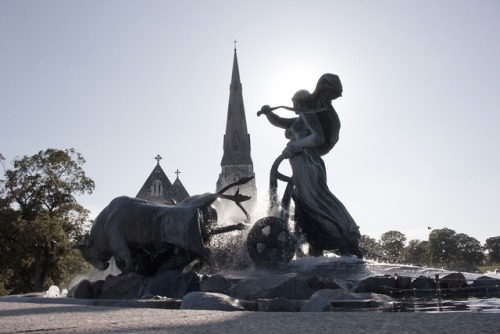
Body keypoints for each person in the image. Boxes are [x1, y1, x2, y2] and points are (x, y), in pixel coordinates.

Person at [258, 73, 362, 258]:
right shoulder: (301, 118)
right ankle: (315, 242)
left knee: (314, 199)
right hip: (302, 162)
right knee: (302, 200)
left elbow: (318, 137)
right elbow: (281, 122)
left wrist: (294, 145)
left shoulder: (308, 115)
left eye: (295, 102)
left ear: (300, 102)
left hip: (307, 162)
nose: (294, 106)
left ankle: (345, 233)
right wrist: (268, 113)